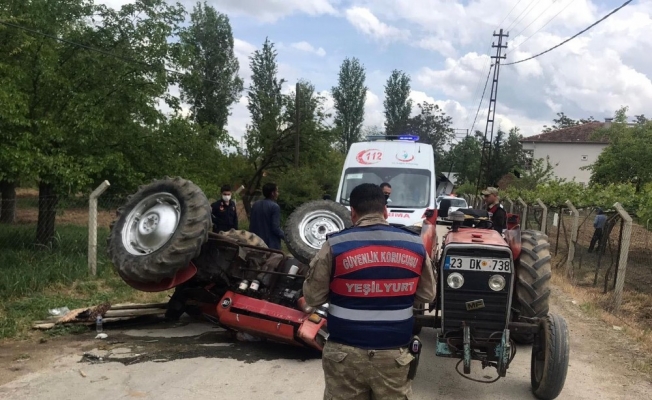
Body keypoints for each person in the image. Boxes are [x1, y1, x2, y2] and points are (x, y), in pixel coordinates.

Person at [303, 183, 436, 399]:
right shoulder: (414, 244)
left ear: (352, 213)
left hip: (344, 355)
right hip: (394, 355)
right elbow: (427, 295)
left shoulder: (335, 245)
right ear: (385, 211)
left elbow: (313, 297)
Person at [248, 183, 285, 250]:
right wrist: (286, 237)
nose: (278, 193)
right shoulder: (274, 207)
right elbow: (275, 228)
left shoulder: (255, 205)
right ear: (273, 193)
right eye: (277, 191)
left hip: (255, 242)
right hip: (270, 244)